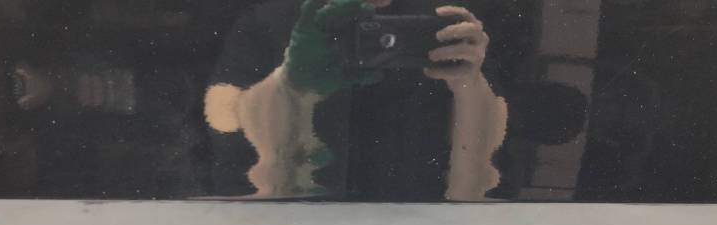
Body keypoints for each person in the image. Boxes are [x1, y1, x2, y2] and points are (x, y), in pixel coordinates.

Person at [204, 0, 508, 201]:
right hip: (289, 221)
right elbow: (222, 120)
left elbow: (493, 156)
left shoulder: (441, 23)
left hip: (416, 224)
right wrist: (289, 81)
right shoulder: (274, 18)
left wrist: (469, 82)